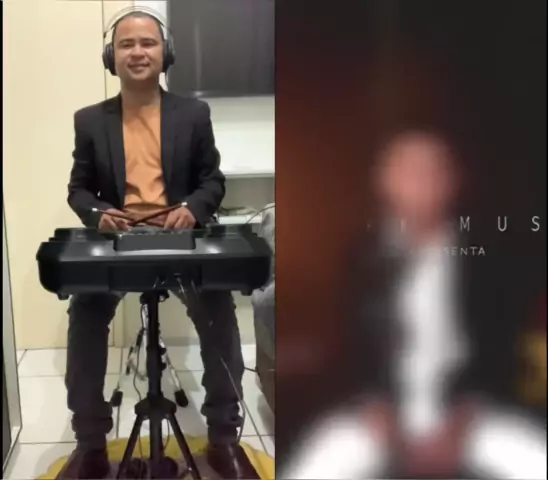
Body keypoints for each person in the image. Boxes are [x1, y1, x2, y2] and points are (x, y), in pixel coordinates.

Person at [57, 10, 259, 479]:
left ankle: (224, 438)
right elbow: (79, 190)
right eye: (126, 44)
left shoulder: (194, 114)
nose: (137, 52)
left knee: (219, 314)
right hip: (119, 240)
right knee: (85, 316)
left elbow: (212, 181)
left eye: (147, 42)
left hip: (180, 236)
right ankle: (90, 445)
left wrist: (193, 207)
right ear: (111, 56)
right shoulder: (89, 121)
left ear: (165, 52)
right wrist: (97, 214)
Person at [280, 130, 547, 479]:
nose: (422, 183)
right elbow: (347, 347)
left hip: (473, 413)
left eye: (434, 170)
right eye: (407, 171)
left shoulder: (490, 258)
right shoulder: (362, 257)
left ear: (454, 180)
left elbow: (504, 348)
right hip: (378, 414)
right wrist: (378, 410)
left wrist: (462, 422)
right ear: (384, 181)